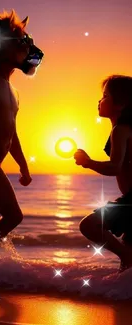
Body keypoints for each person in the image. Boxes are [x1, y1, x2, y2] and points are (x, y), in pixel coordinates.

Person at [0, 9, 44, 264]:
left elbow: (11, 131)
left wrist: (23, 165)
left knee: (14, 216)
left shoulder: (14, 92)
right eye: (25, 42)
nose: (31, 48)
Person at [74, 75, 132, 272]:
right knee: (127, 261)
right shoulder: (122, 129)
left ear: (121, 104)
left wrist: (89, 163)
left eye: (105, 96)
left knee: (90, 226)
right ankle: (121, 295)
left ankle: (126, 258)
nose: (99, 100)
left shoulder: (121, 130)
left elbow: (115, 167)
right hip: (129, 198)